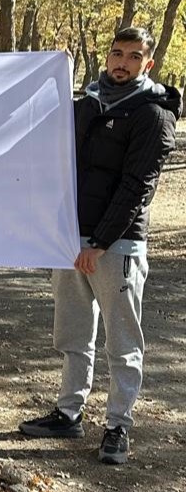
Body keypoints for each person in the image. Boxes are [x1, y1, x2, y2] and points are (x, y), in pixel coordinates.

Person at [19, 26, 181, 464]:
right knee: (73, 333)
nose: (122, 63)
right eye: (116, 54)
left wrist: (103, 242)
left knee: (123, 340)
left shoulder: (153, 114)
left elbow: (137, 186)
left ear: (147, 64)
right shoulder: (86, 106)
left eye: (133, 57)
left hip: (118, 245)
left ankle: (117, 427)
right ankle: (69, 413)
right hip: (70, 239)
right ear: (106, 57)